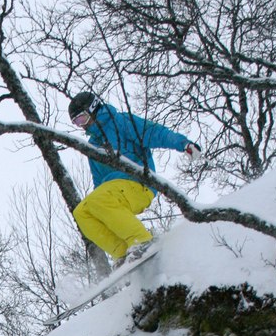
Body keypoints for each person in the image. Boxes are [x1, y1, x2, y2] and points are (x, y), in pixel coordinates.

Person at [68, 91, 200, 264]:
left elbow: (154, 132)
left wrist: (183, 144)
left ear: (93, 109)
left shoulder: (120, 122)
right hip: (113, 192)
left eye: (82, 119)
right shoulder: (92, 146)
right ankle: (121, 251)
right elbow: (99, 182)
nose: (82, 126)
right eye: (77, 123)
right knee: (82, 212)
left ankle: (141, 239)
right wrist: (99, 212)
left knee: (99, 200)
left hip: (139, 183)